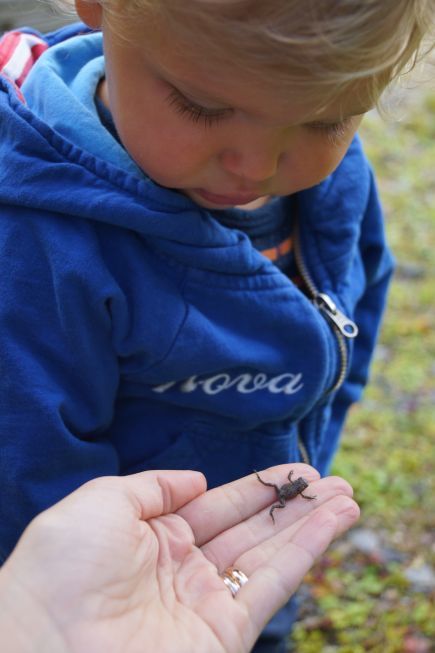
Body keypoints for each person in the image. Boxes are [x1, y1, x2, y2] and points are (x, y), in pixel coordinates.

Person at [0, 1, 434, 650]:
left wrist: (310, 465)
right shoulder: (41, 241)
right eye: (202, 107)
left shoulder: (334, 180)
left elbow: (353, 315)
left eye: (326, 118)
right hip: (107, 597)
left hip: (255, 552)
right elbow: (28, 471)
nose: (256, 166)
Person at [0, 465, 360, 653]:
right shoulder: (291, 489)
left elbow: (295, 486)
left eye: (299, 490)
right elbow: (284, 486)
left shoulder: (296, 488)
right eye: (297, 489)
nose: (298, 489)